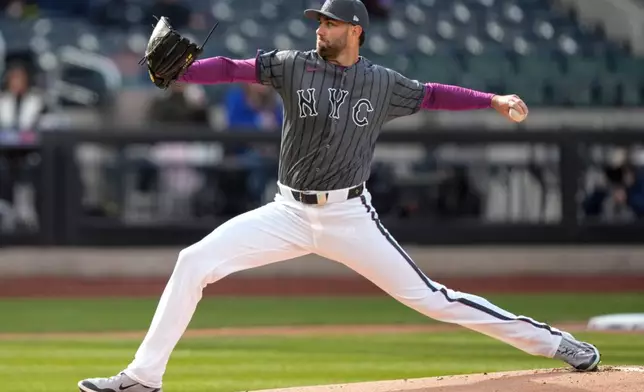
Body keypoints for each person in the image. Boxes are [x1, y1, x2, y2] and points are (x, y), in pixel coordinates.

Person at [78, 1, 601, 391]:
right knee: (194, 261)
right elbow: (235, 68)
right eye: (317, 21)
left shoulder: (382, 82)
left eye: (327, 22)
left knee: (432, 299)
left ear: (355, 30)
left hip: (350, 215)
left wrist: (491, 99)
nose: (318, 28)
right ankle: (143, 378)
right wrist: (187, 71)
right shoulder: (291, 64)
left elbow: (435, 94)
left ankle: (556, 343)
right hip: (286, 210)